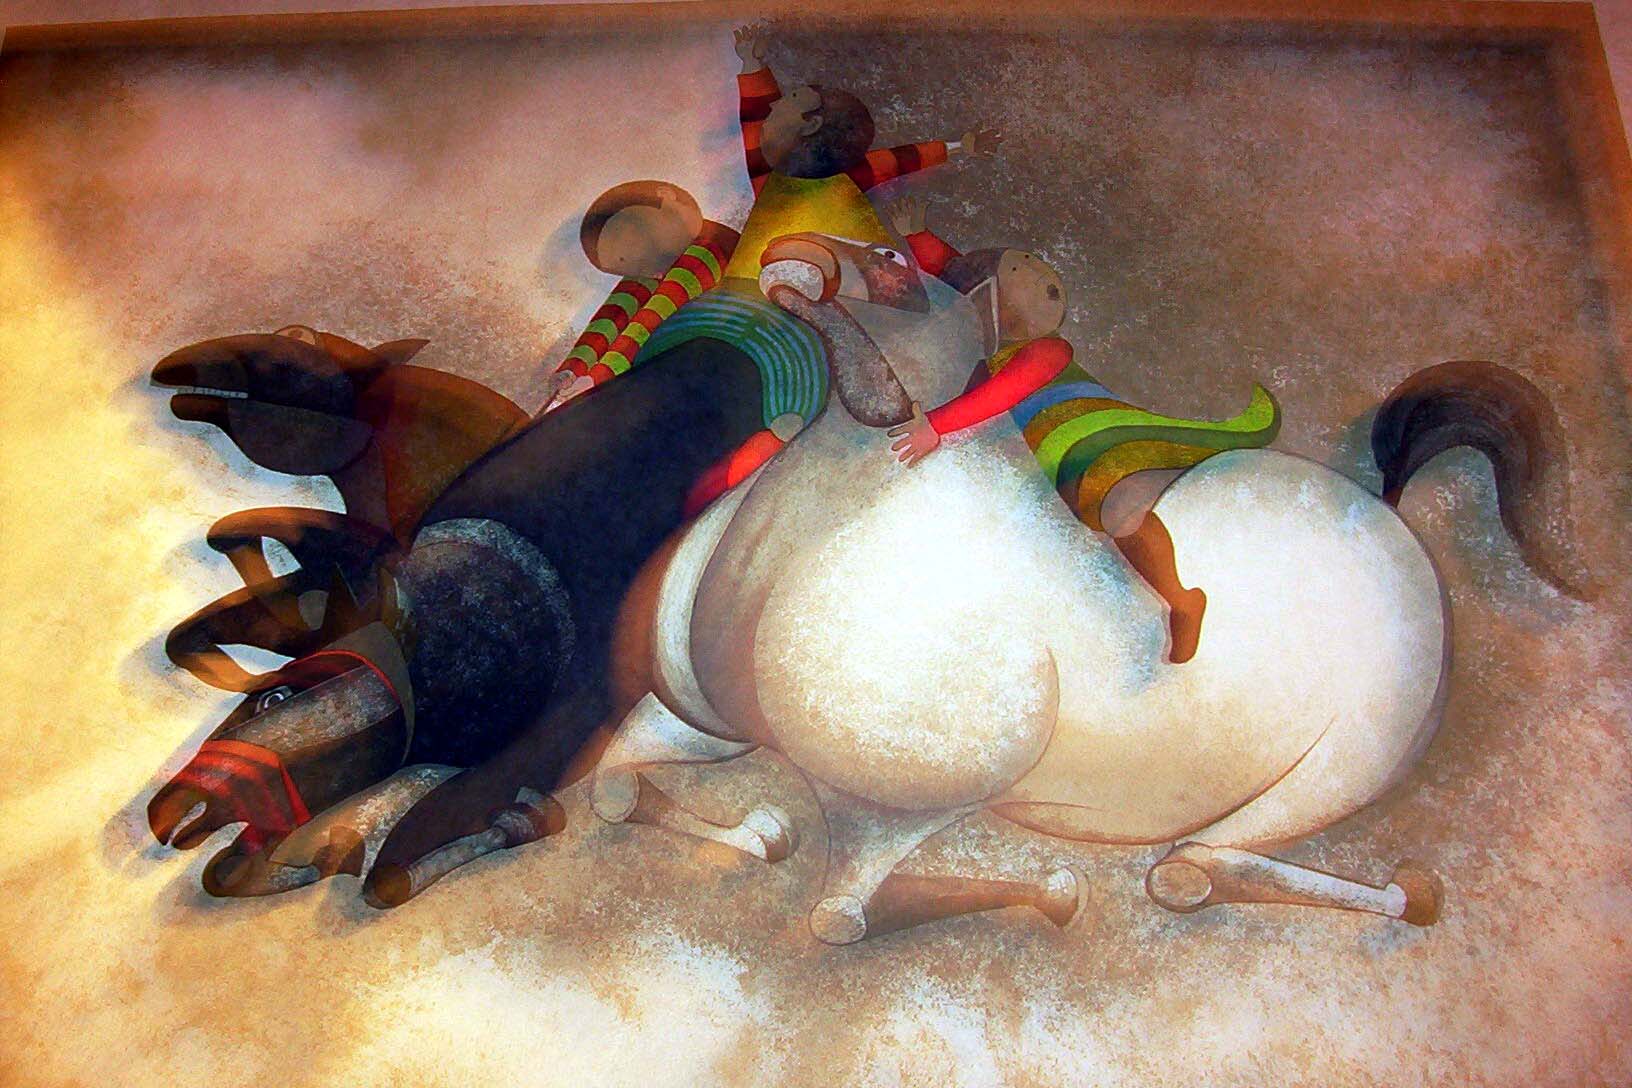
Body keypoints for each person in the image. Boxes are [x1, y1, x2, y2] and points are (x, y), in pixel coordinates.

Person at [880, 197, 1282, 664]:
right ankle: (1175, 595)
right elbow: (959, 272)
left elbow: (1002, 393)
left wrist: (937, 426)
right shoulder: (993, 352)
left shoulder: (1046, 351)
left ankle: (1181, 600)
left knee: (1119, 506)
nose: (1041, 280)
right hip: (1060, 453)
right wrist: (919, 238)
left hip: (1093, 442)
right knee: (1102, 507)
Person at [542, 181, 740, 412]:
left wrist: (600, 377)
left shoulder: (710, 248)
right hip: (675, 367)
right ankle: (577, 373)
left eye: (633, 245)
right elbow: (613, 316)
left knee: (662, 296)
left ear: (665, 196)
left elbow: (652, 319)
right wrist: (572, 370)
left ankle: (597, 377)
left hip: (713, 348)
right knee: (630, 295)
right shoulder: (654, 270)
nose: (645, 269)